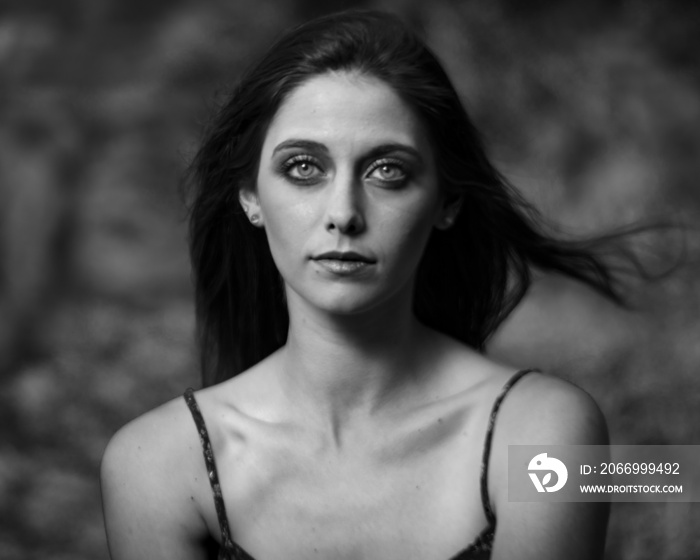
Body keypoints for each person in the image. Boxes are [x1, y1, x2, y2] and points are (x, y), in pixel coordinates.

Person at [101, 10, 618, 560]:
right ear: (250, 196)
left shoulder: (547, 434)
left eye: (388, 171)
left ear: (447, 201)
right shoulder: (155, 465)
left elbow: (672, 479)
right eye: (303, 168)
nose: (344, 214)